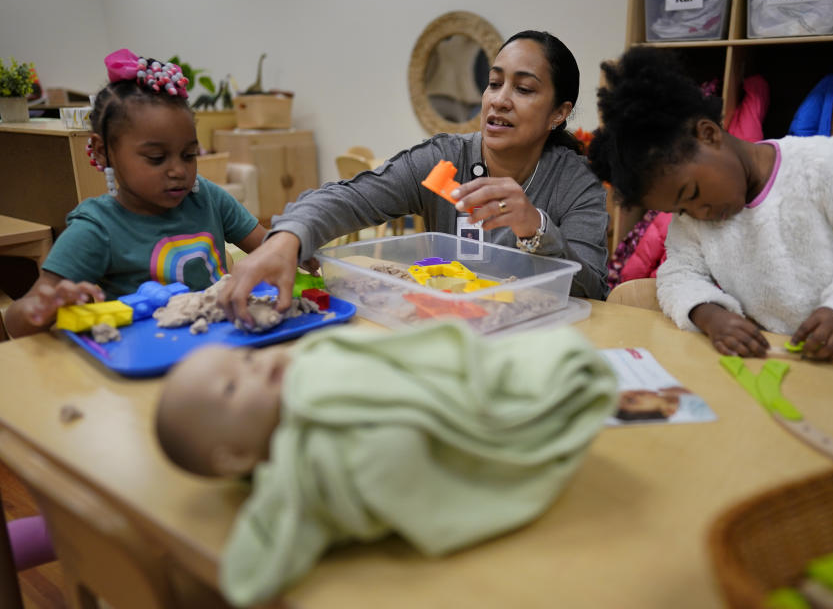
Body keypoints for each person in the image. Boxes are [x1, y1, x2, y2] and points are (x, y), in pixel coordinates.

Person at [154, 322, 617, 606]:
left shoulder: (314, 357)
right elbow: (287, 526)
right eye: (232, 388)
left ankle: (526, 382)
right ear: (236, 457)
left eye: (246, 358)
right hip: (435, 435)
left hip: (460, 387)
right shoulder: (307, 461)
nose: (255, 368)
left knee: (507, 370)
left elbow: (399, 355)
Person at [219, 30, 609, 326]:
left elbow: (591, 288)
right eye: (493, 83)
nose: (499, 99)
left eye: (523, 88)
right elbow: (351, 198)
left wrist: (535, 227)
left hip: (535, 335)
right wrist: (287, 238)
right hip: (450, 331)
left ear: (559, 113)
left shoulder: (576, 183)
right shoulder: (444, 162)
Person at [588, 47, 833, 360]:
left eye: (690, 194)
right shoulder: (694, 218)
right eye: (680, 210)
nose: (697, 214)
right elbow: (677, 274)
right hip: (796, 360)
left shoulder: (822, 164)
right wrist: (710, 315)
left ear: (708, 134)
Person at [5, 48, 267, 338]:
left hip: (225, 344)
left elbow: (268, 246)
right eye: (156, 157)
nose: (178, 170)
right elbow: (16, 323)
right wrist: (46, 306)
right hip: (147, 362)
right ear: (103, 152)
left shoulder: (206, 197)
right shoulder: (97, 228)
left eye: (189, 154)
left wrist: (297, 239)